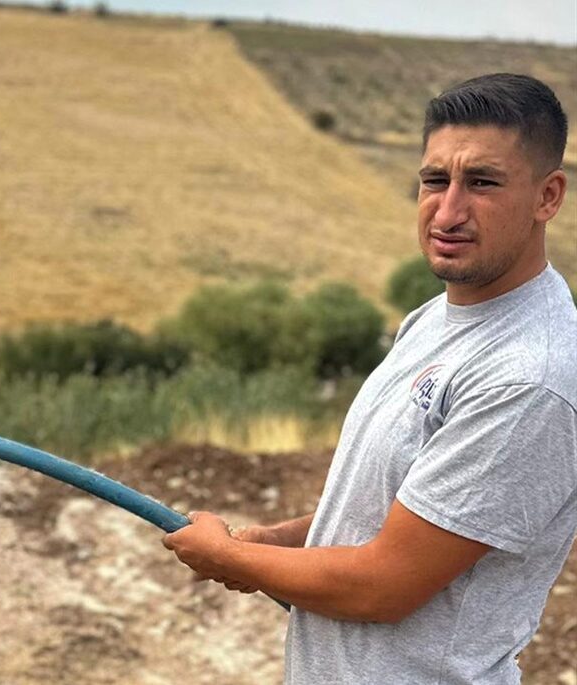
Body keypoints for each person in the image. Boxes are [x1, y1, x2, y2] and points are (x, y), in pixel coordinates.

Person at [162, 72, 577, 683]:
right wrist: (273, 541)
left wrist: (230, 558)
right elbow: (403, 510)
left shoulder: (526, 379)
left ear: (548, 196)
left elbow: (383, 587)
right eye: (434, 181)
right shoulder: (437, 317)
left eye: (483, 183)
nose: (449, 210)